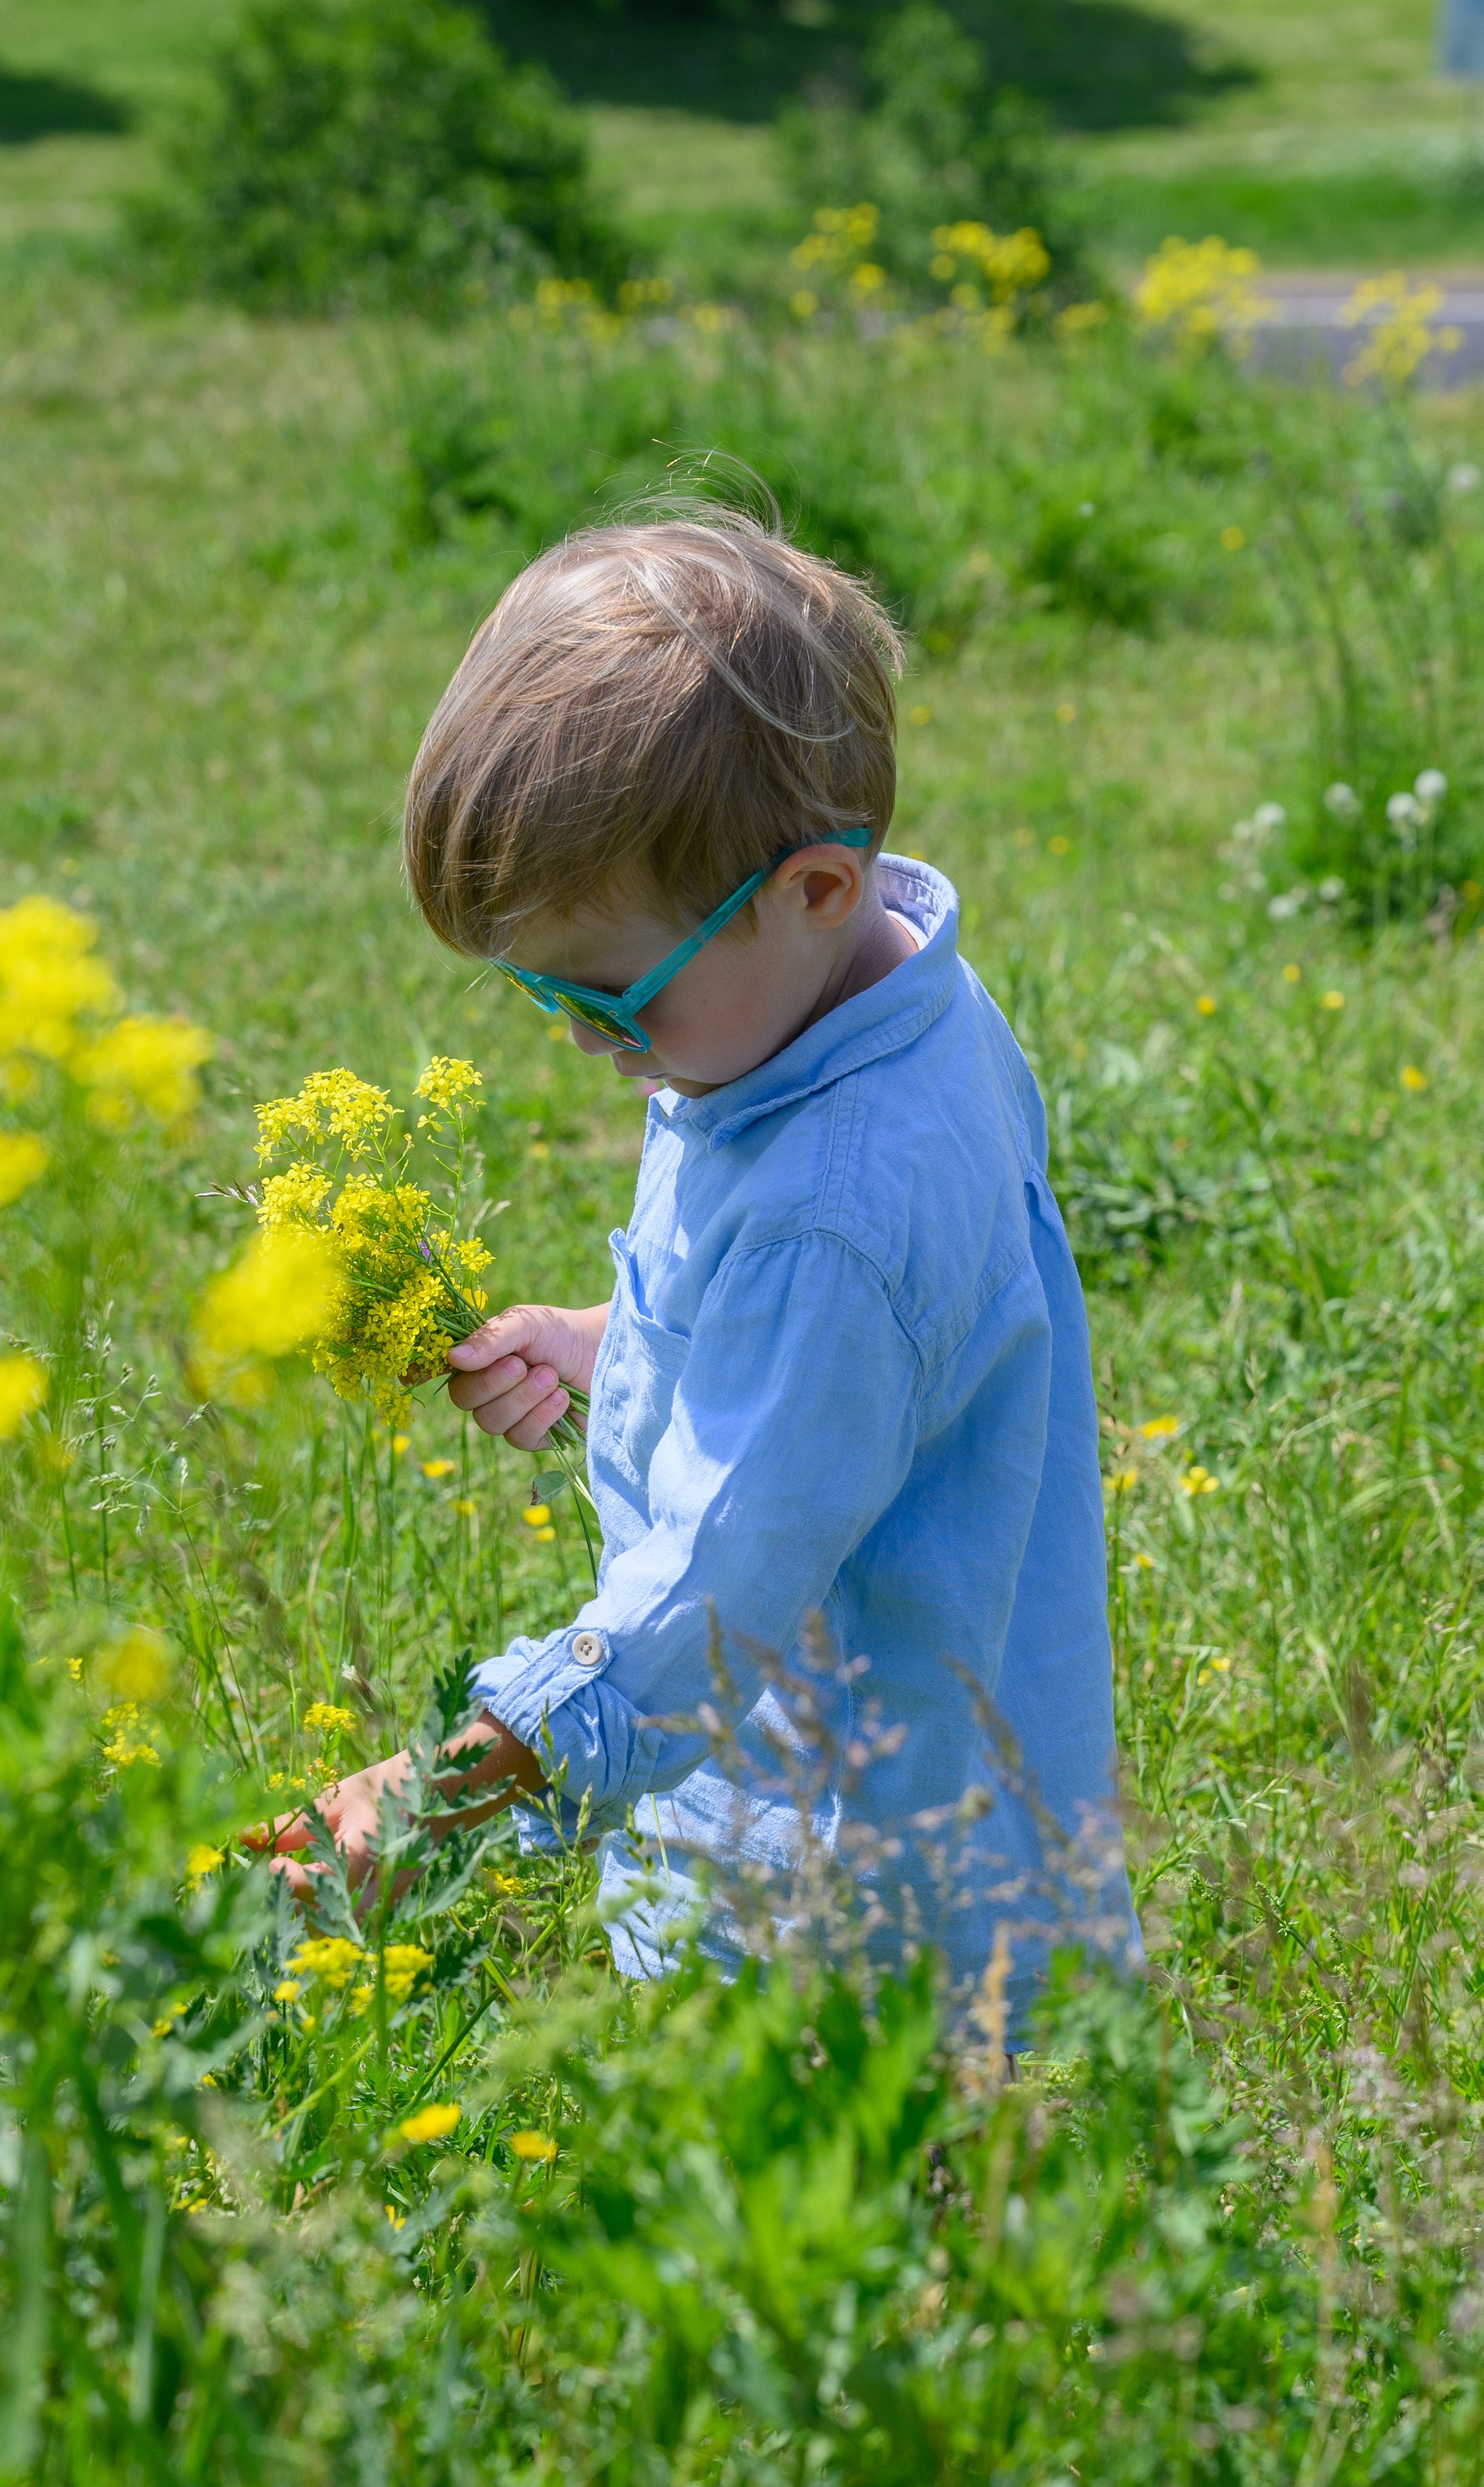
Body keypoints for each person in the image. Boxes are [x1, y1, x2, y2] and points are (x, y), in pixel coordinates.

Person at [267, 508, 1139, 2034]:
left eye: (609, 994)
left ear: (810, 888)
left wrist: (440, 1784)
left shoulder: (833, 1207)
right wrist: (613, 1339)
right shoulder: (851, 1004)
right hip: (892, 1760)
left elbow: (711, 1599)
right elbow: (851, 1374)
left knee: (817, 2217)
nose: (579, 1038)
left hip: (822, 1864)